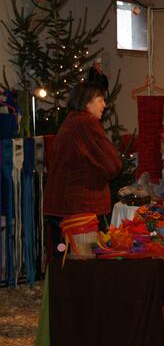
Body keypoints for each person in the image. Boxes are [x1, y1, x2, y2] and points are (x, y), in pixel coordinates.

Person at [43, 83, 122, 253]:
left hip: (63, 206)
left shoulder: (71, 121)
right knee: (83, 263)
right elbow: (112, 164)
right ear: (87, 102)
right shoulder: (86, 122)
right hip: (80, 209)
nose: (104, 105)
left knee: (65, 261)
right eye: (100, 100)